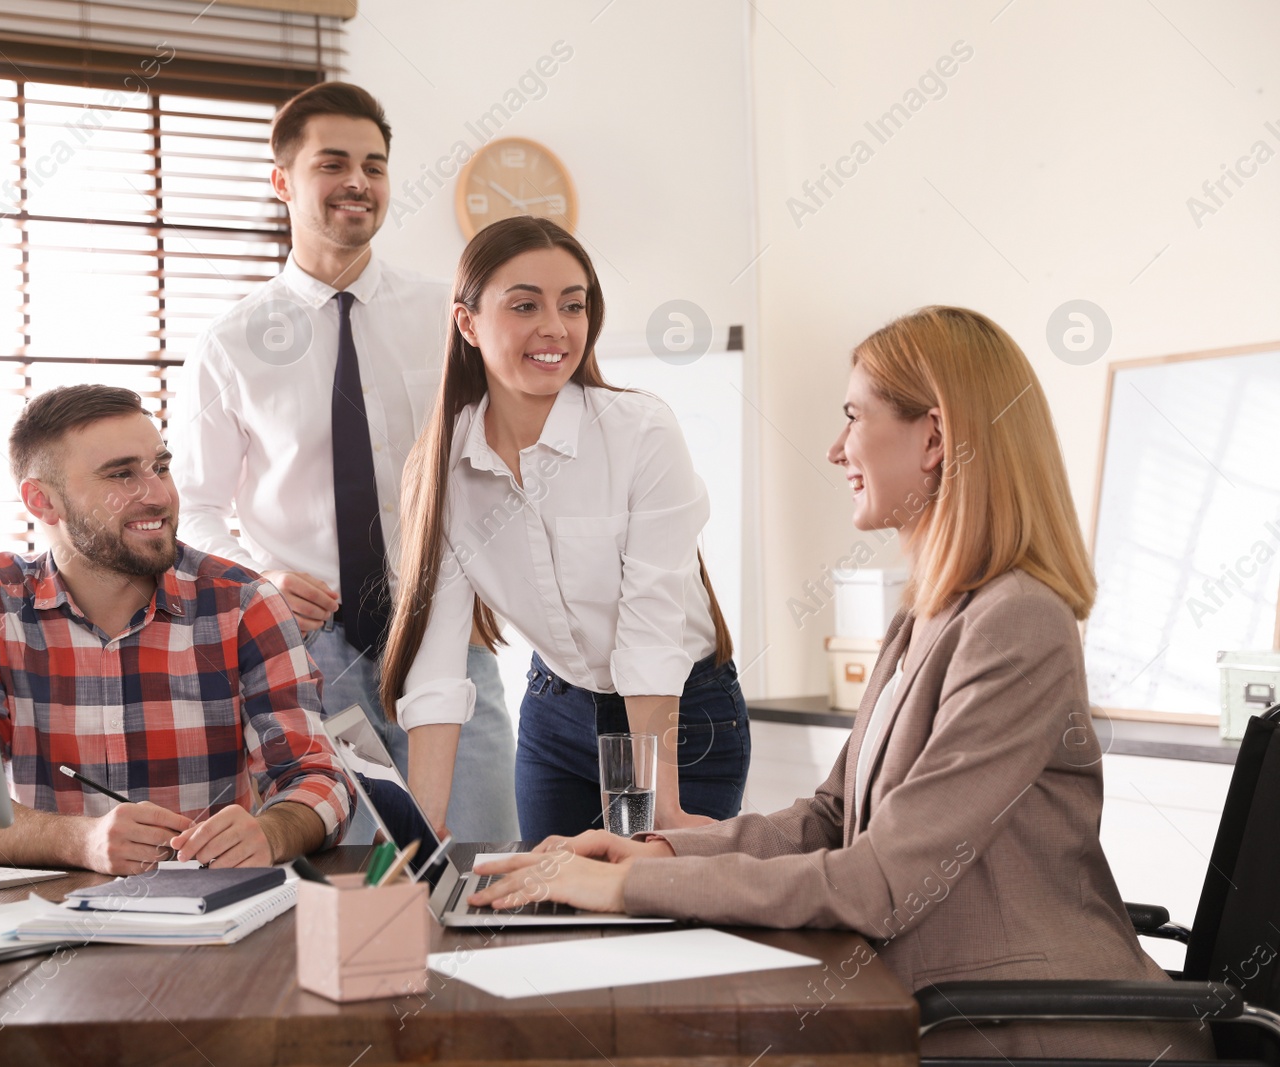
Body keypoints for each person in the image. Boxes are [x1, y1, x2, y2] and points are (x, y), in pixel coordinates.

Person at [468, 306, 1212, 1059]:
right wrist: (655, 854)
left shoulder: (1019, 623)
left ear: (934, 438)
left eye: (854, 416)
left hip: (1028, 1027)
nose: (835, 448)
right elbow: (828, 818)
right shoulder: (927, 615)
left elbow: (878, 880)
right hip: (933, 999)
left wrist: (628, 891)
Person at [170, 81, 518, 842]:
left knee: (483, 870)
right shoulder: (231, 343)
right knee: (344, 891)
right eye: (333, 163)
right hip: (308, 654)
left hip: (446, 634)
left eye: (375, 164)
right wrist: (257, 579)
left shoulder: (449, 317)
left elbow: (498, 458)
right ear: (282, 180)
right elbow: (192, 505)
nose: (359, 181)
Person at [381, 216, 750, 842]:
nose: (555, 327)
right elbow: (438, 664)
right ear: (466, 323)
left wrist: (659, 806)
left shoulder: (640, 432)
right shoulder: (441, 469)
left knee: (661, 920)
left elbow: (651, 631)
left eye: (573, 305)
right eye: (525, 304)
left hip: (681, 716)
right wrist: (425, 824)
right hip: (557, 716)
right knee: (551, 913)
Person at [0, 385, 355, 875]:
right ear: (42, 501)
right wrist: (79, 841)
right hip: (45, 921)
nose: (159, 495)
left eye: (160, 468)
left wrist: (270, 833)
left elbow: (320, 779)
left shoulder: (245, 604)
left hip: (211, 922)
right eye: (122, 475)